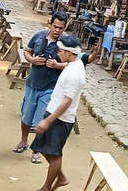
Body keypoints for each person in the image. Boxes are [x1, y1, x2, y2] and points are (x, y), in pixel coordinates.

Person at [30, 34, 86, 191]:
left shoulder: (75, 73)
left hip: (60, 118)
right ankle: (60, 178)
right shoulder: (73, 64)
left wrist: (48, 120)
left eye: (60, 51)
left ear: (68, 53)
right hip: (54, 113)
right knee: (42, 147)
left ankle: (47, 187)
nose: (58, 54)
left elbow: (67, 101)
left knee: (54, 153)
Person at [14, 11, 67, 164]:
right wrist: (32, 60)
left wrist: (57, 65)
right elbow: (27, 50)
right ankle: (23, 141)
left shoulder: (66, 43)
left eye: (61, 28)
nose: (57, 30)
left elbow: (73, 64)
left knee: (40, 120)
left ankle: (36, 150)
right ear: (50, 24)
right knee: (26, 115)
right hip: (33, 83)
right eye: (55, 26)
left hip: (51, 87)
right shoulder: (38, 36)